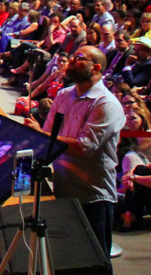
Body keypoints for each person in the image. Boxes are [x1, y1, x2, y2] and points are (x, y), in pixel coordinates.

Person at [24, 46, 125, 268]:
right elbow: (49, 136)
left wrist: (40, 135)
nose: (70, 61)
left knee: (95, 263)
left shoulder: (106, 104)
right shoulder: (63, 95)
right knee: (67, 261)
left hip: (93, 197)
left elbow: (84, 147)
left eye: (79, 59)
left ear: (96, 68)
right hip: (63, 191)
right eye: (72, 57)